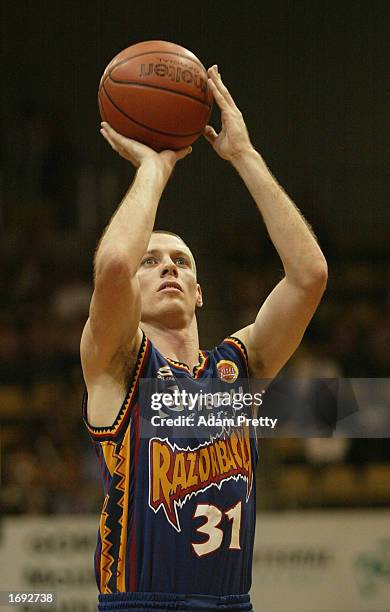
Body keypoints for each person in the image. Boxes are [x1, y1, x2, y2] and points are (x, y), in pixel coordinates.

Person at [80, 65, 328, 611]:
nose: (167, 266)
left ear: (198, 292)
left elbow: (309, 275)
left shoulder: (238, 370)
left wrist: (243, 154)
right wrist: (153, 167)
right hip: (142, 603)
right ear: (133, 289)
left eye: (181, 261)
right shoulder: (120, 366)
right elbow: (115, 262)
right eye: (154, 261)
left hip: (234, 602)